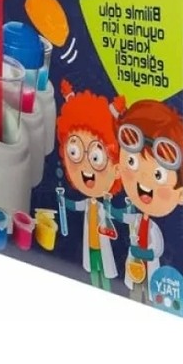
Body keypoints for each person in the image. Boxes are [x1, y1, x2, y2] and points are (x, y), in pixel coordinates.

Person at [111, 97, 183, 303]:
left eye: (158, 174)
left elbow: (157, 250)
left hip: (151, 272)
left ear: (182, 193)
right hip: (133, 269)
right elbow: (121, 216)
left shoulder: (153, 228)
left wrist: (142, 253)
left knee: (151, 298)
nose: (143, 179)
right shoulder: (137, 219)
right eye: (131, 161)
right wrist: (108, 206)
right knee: (134, 294)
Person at [56, 80, 121, 291]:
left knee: (106, 277)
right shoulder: (87, 204)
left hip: (103, 245)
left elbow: (118, 215)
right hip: (90, 247)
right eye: (74, 152)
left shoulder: (103, 206)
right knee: (93, 273)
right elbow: (75, 206)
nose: (85, 167)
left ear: (117, 166)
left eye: (96, 157)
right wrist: (62, 200)